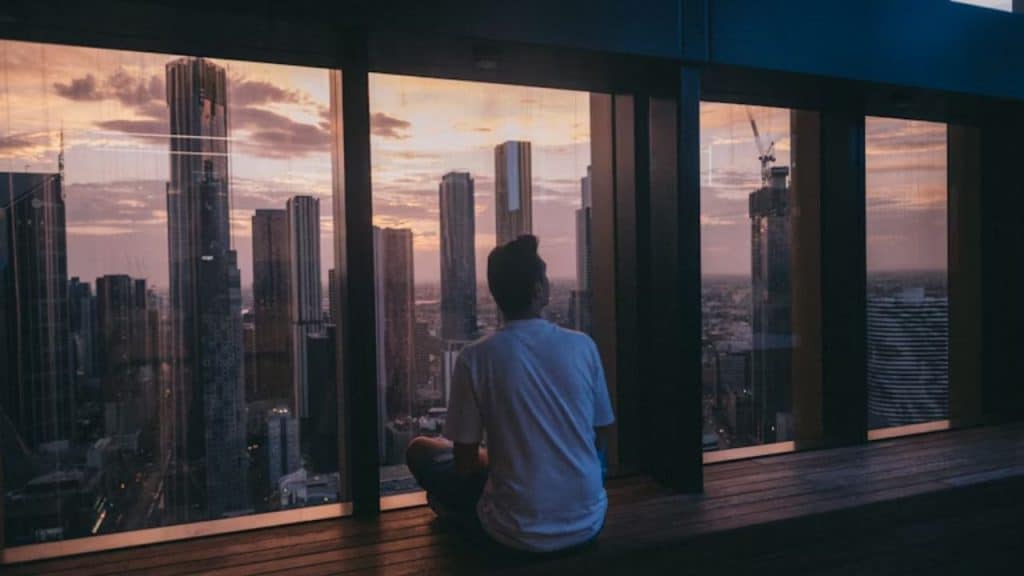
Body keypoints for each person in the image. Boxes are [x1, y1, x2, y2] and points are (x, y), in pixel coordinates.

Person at [406, 234, 615, 554]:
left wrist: (502, 459)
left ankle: (454, 514)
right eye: (545, 278)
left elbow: (463, 464)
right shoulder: (582, 346)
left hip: (513, 530)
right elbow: (601, 434)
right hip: (588, 521)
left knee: (420, 450)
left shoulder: (476, 357)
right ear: (537, 291)